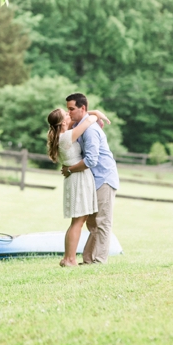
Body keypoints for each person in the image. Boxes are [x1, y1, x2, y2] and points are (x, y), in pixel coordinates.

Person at [61, 92, 120, 264]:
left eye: (71, 109)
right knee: (93, 224)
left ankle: (99, 260)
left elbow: (91, 160)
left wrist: (70, 169)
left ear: (82, 108)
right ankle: (88, 260)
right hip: (94, 180)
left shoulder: (91, 131)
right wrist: (95, 113)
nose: (69, 113)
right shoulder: (81, 124)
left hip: (105, 178)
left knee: (102, 222)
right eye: (68, 109)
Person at [46, 107, 105, 267]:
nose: (69, 114)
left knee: (80, 219)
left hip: (78, 177)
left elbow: (81, 118)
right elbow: (88, 121)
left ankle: (69, 258)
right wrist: (97, 113)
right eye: (66, 114)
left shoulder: (63, 134)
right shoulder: (66, 136)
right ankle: (69, 259)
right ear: (63, 121)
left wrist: (92, 112)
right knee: (77, 221)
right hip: (77, 178)